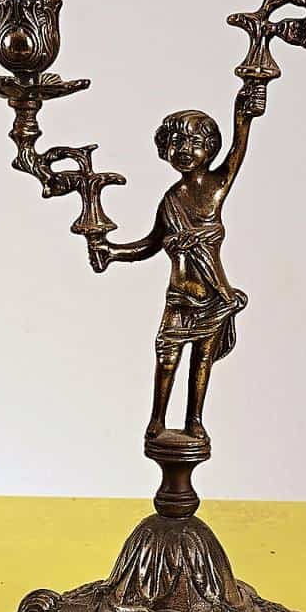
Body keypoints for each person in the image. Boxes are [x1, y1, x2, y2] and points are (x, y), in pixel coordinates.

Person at [89, 81, 265, 445]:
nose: (184, 150)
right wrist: (112, 252)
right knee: (166, 359)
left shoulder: (216, 187)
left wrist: (243, 111)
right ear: (164, 149)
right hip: (179, 298)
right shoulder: (171, 200)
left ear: (210, 147)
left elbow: (239, 146)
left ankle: (194, 420)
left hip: (213, 298)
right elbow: (150, 245)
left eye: (194, 142)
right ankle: (157, 418)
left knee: (202, 361)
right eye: (176, 143)